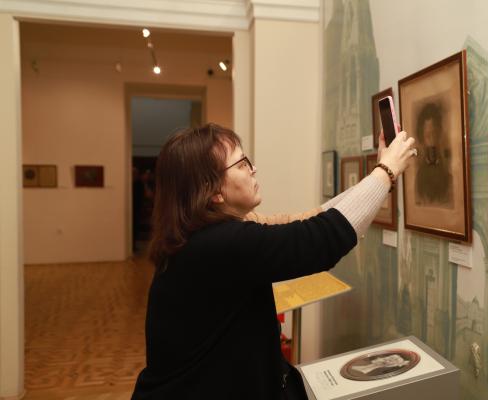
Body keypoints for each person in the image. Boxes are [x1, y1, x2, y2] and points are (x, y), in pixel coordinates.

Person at [131, 123, 416, 399]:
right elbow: (320, 240)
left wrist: (378, 177)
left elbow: (307, 221)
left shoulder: (201, 235)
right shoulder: (219, 243)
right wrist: (387, 171)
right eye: (242, 164)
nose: (253, 169)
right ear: (212, 190)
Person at [414, 102, 453, 207]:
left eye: (434, 133)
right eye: (428, 135)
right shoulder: (419, 177)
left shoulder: (448, 174)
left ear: (439, 133)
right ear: (422, 137)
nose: (432, 141)